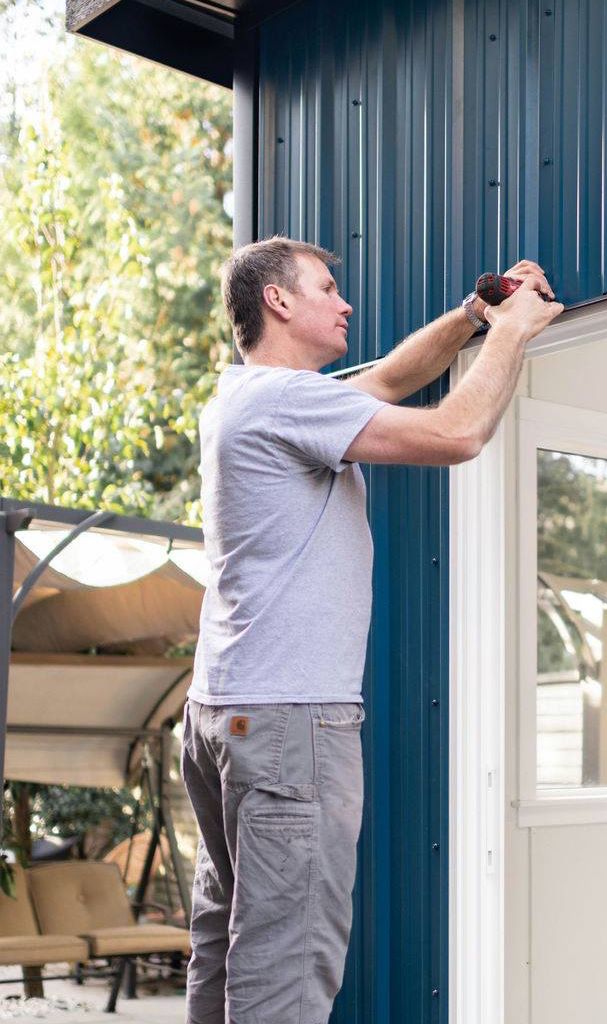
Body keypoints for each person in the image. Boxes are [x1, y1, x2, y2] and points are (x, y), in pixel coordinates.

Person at [180, 235, 563, 1024]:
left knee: (228, 949)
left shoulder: (249, 398)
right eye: (327, 288)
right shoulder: (288, 400)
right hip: (290, 722)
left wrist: (473, 319)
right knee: (284, 968)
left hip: (228, 715)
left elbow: (391, 377)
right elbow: (457, 432)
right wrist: (519, 330)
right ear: (278, 301)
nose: (345, 302)